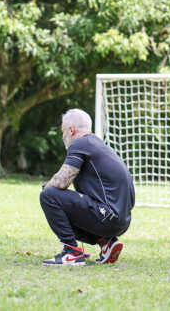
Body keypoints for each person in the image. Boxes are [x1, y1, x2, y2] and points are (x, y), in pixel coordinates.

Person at [40, 109, 135, 266]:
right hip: (121, 221)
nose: (62, 136)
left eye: (62, 131)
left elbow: (62, 182)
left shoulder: (80, 143)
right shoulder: (96, 145)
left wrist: (46, 187)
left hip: (107, 216)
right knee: (63, 201)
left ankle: (71, 252)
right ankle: (106, 242)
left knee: (49, 195)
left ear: (71, 130)